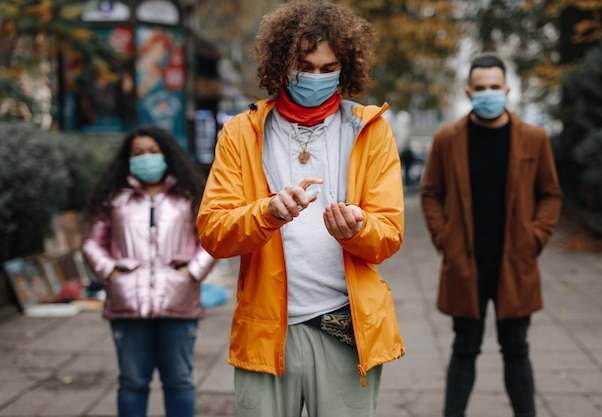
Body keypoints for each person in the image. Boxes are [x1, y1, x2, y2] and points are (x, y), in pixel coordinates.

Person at [196, 2, 405, 416]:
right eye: (305, 65)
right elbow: (214, 233)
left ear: (346, 67)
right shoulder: (242, 132)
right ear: (280, 64)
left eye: (330, 68)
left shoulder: (370, 129)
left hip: (346, 328)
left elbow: (389, 236)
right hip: (266, 329)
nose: (317, 77)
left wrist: (358, 229)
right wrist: (268, 213)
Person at [420, 53, 562, 417]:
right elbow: (431, 193)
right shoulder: (448, 139)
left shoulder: (533, 138)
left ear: (507, 90)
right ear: (468, 91)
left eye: (494, 87)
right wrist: (444, 239)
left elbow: (550, 194)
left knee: (517, 348)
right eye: (480, 88)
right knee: (464, 348)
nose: (487, 94)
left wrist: (536, 237)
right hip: (465, 263)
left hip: (516, 262)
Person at [81, 125, 218, 417]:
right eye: (138, 153)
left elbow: (211, 239)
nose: (146, 158)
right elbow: (92, 243)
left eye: (153, 152)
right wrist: (112, 275)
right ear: (127, 159)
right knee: (132, 382)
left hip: (179, 302)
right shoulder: (114, 198)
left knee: (179, 381)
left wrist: (192, 272)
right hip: (126, 303)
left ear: (167, 154)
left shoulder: (189, 196)